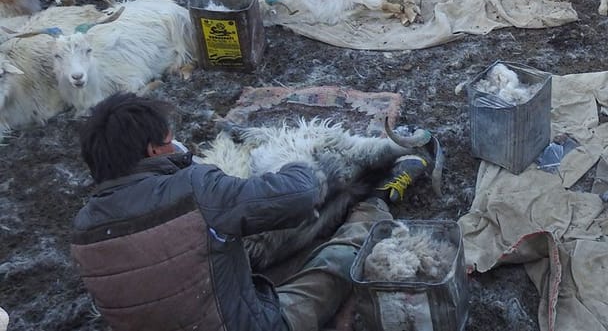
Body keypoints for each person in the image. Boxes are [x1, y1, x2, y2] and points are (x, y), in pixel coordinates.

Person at [69, 93, 426, 331]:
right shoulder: (194, 187)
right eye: (169, 139)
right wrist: (289, 156)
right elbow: (300, 194)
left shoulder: (82, 230)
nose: (176, 145)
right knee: (337, 258)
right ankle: (377, 203)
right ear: (152, 151)